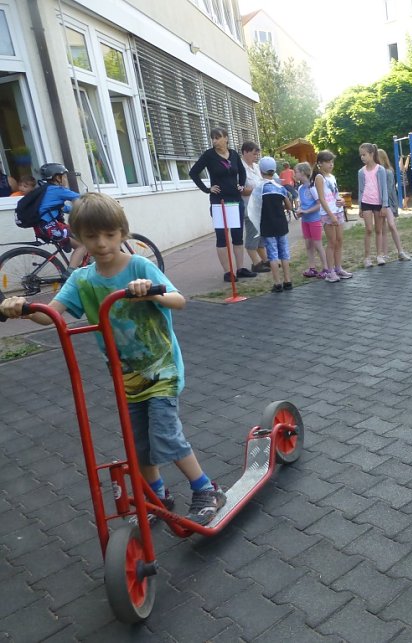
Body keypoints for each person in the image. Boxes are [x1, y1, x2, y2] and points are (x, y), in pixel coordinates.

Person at [0, 193, 227, 525]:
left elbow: (179, 300)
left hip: (161, 369)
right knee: (138, 443)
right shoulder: (81, 279)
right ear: (78, 237)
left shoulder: (139, 266)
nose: (102, 243)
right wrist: (23, 309)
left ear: (122, 233)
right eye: (91, 236)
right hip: (126, 376)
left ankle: (206, 488)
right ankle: (158, 494)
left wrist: (150, 289)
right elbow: (53, 316)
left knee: (164, 434)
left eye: (109, 234)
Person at [189, 127, 256, 282]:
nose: (214, 141)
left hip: (235, 200)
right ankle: (228, 272)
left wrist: (240, 185)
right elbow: (193, 173)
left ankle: (240, 269)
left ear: (226, 138)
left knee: (238, 236)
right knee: (222, 237)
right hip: (219, 202)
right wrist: (207, 189)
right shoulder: (209, 155)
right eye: (212, 138)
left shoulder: (233, 154)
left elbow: (242, 171)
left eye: (217, 137)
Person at [35, 163, 85, 274]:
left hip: (43, 227)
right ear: (58, 177)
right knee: (83, 245)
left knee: (79, 237)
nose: (66, 179)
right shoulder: (57, 190)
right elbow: (83, 198)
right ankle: (70, 274)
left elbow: (64, 208)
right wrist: (106, 204)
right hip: (51, 227)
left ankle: (87, 263)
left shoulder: (45, 191)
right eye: (65, 176)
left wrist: (74, 210)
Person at [251, 157, 292, 293]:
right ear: (274, 170)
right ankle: (288, 281)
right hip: (281, 225)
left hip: (267, 226)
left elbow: (254, 208)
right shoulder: (280, 188)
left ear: (261, 171)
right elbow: (289, 206)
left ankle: (277, 283)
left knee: (273, 255)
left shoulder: (259, 189)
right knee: (284, 253)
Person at [313, 150, 352, 281]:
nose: (331, 164)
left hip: (338, 211)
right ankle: (330, 272)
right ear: (320, 163)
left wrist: (340, 200)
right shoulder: (319, 178)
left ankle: (338, 268)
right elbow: (322, 199)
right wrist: (331, 215)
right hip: (327, 213)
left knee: (339, 240)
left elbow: (335, 194)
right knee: (332, 242)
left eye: (332, 162)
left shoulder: (332, 177)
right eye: (328, 162)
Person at [295, 161, 336, 282]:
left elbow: (319, 204)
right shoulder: (301, 188)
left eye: (296, 172)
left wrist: (307, 211)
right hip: (305, 220)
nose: (294, 174)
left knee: (318, 244)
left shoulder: (312, 187)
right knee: (308, 244)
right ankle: (312, 268)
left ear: (303, 173)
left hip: (314, 220)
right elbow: (303, 204)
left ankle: (326, 268)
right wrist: (300, 210)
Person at [239, 141, 270, 273]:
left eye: (257, 154)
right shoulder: (240, 168)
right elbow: (241, 190)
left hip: (260, 207)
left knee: (260, 236)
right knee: (252, 235)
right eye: (253, 153)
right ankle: (256, 263)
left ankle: (265, 260)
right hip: (248, 208)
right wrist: (256, 189)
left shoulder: (257, 167)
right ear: (245, 152)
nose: (256, 156)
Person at [376, 148, 411, 263]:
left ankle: (400, 251)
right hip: (379, 203)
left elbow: (390, 190)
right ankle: (384, 254)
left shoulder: (388, 171)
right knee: (382, 229)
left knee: (391, 225)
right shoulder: (377, 171)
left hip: (387, 203)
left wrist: (391, 205)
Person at [357, 142, 388, 268]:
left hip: (378, 203)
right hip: (366, 202)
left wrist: (384, 205)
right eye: (361, 155)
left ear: (371, 154)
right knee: (369, 229)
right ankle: (367, 257)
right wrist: (360, 206)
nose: (362, 157)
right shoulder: (361, 172)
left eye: (364, 154)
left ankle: (379, 255)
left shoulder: (380, 169)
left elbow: (384, 188)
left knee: (378, 230)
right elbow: (360, 189)